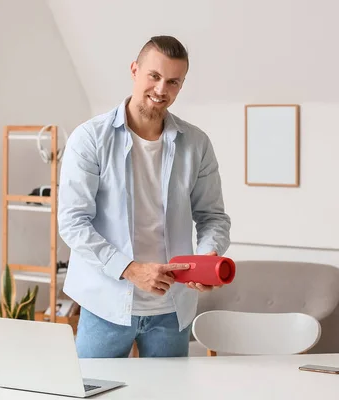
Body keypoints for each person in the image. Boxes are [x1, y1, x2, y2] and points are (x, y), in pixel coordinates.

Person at [58, 35, 231, 358]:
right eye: (154, 76)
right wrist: (130, 269)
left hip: (171, 310)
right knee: (91, 392)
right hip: (105, 303)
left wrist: (206, 257)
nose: (161, 89)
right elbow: (72, 222)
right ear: (135, 70)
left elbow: (212, 217)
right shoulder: (90, 139)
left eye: (173, 82)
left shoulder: (196, 143)